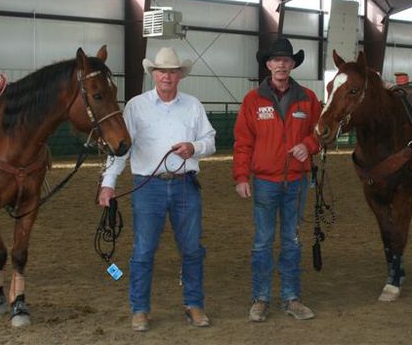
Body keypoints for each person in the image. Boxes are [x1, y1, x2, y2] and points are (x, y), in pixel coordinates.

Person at [98, 47, 216, 332]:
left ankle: (194, 304)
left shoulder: (193, 105)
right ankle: (139, 309)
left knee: (192, 249)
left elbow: (211, 141)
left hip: (186, 185)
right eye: (162, 71)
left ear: (179, 76)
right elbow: (122, 149)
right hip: (147, 186)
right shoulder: (136, 106)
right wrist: (108, 182)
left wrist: (195, 147)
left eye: (172, 72)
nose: (167, 76)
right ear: (154, 74)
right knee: (143, 251)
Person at [233, 37, 322, 322]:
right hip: (264, 182)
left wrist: (308, 145)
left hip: (296, 182)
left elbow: (322, 133)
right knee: (262, 241)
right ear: (268, 65)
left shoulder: (308, 99)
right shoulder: (252, 100)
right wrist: (241, 176)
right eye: (276, 60)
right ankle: (260, 298)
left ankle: (292, 298)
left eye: (286, 60)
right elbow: (243, 141)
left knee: (292, 241)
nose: (281, 65)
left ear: (292, 64)